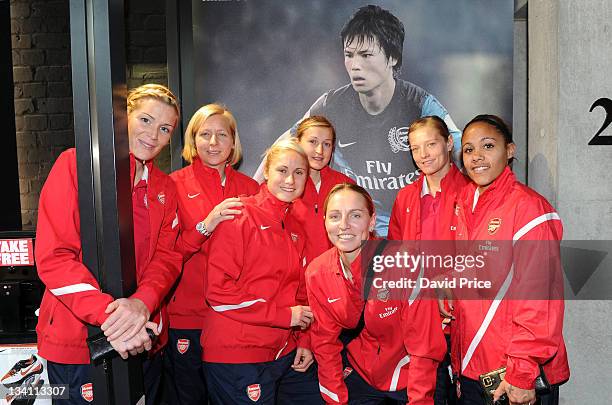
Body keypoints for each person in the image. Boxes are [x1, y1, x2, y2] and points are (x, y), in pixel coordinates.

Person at [255, 4, 460, 237]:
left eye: (366, 55)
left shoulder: (420, 103)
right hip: (358, 233)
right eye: (349, 55)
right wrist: (254, 200)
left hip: (414, 230)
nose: (355, 65)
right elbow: (283, 147)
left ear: (392, 57)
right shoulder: (330, 105)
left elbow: (462, 149)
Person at [35, 84, 183, 404]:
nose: (153, 135)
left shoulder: (165, 187)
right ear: (123, 117)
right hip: (79, 341)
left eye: (165, 128)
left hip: (144, 339)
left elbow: (167, 258)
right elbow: (54, 257)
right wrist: (116, 320)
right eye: (145, 120)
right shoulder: (76, 166)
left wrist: (143, 304)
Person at [452, 115, 569, 405]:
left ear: (510, 150)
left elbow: (539, 299)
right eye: (468, 149)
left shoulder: (530, 209)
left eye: (488, 145)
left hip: (512, 376)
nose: (476, 156)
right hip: (471, 369)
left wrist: (522, 373)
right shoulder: (464, 204)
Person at [201, 138, 323, 404]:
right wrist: (284, 316)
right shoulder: (239, 215)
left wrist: (304, 340)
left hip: (282, 352)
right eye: (282, 170)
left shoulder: (295, 227)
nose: (290, 179)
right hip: (238, 355)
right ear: (266, 171)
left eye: (299, 172)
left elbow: (300, 294)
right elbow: (218, 293)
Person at [306, 183, 446, 404]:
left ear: (371, 221)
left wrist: (420, 400)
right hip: (361, 376)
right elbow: (325, 344)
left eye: (355, 215)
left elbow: (424, 345)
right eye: (334, 216)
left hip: (412, 378)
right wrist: (336, 400)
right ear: (324, 222)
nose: (344, 225)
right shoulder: (317, 272)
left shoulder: (404, 262)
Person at [166, 104, 259, 404]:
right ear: (193, 141)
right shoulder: (173, 185)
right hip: (188, 317)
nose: (214, 143)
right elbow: (168, 255)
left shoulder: (250, 188)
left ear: (234, 142)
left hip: (234, 319)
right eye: (205, 134)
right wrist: (207, 224)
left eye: (222, 134)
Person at [388, 116, 469, 404]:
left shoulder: (471, 192)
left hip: (463, 315)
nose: (423, 155)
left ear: (449, 143)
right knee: (425, 395)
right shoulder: (406, 198)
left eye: (431, 144)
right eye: (415, 148)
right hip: (420, 319)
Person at [292, 116, 355, 264]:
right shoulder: (285, 186)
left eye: (326, 144)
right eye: (313, 142)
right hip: (294, 282)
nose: (319, 150)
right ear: (298, 143)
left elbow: (362, 232)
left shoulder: (345, 185)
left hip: (336, 279)